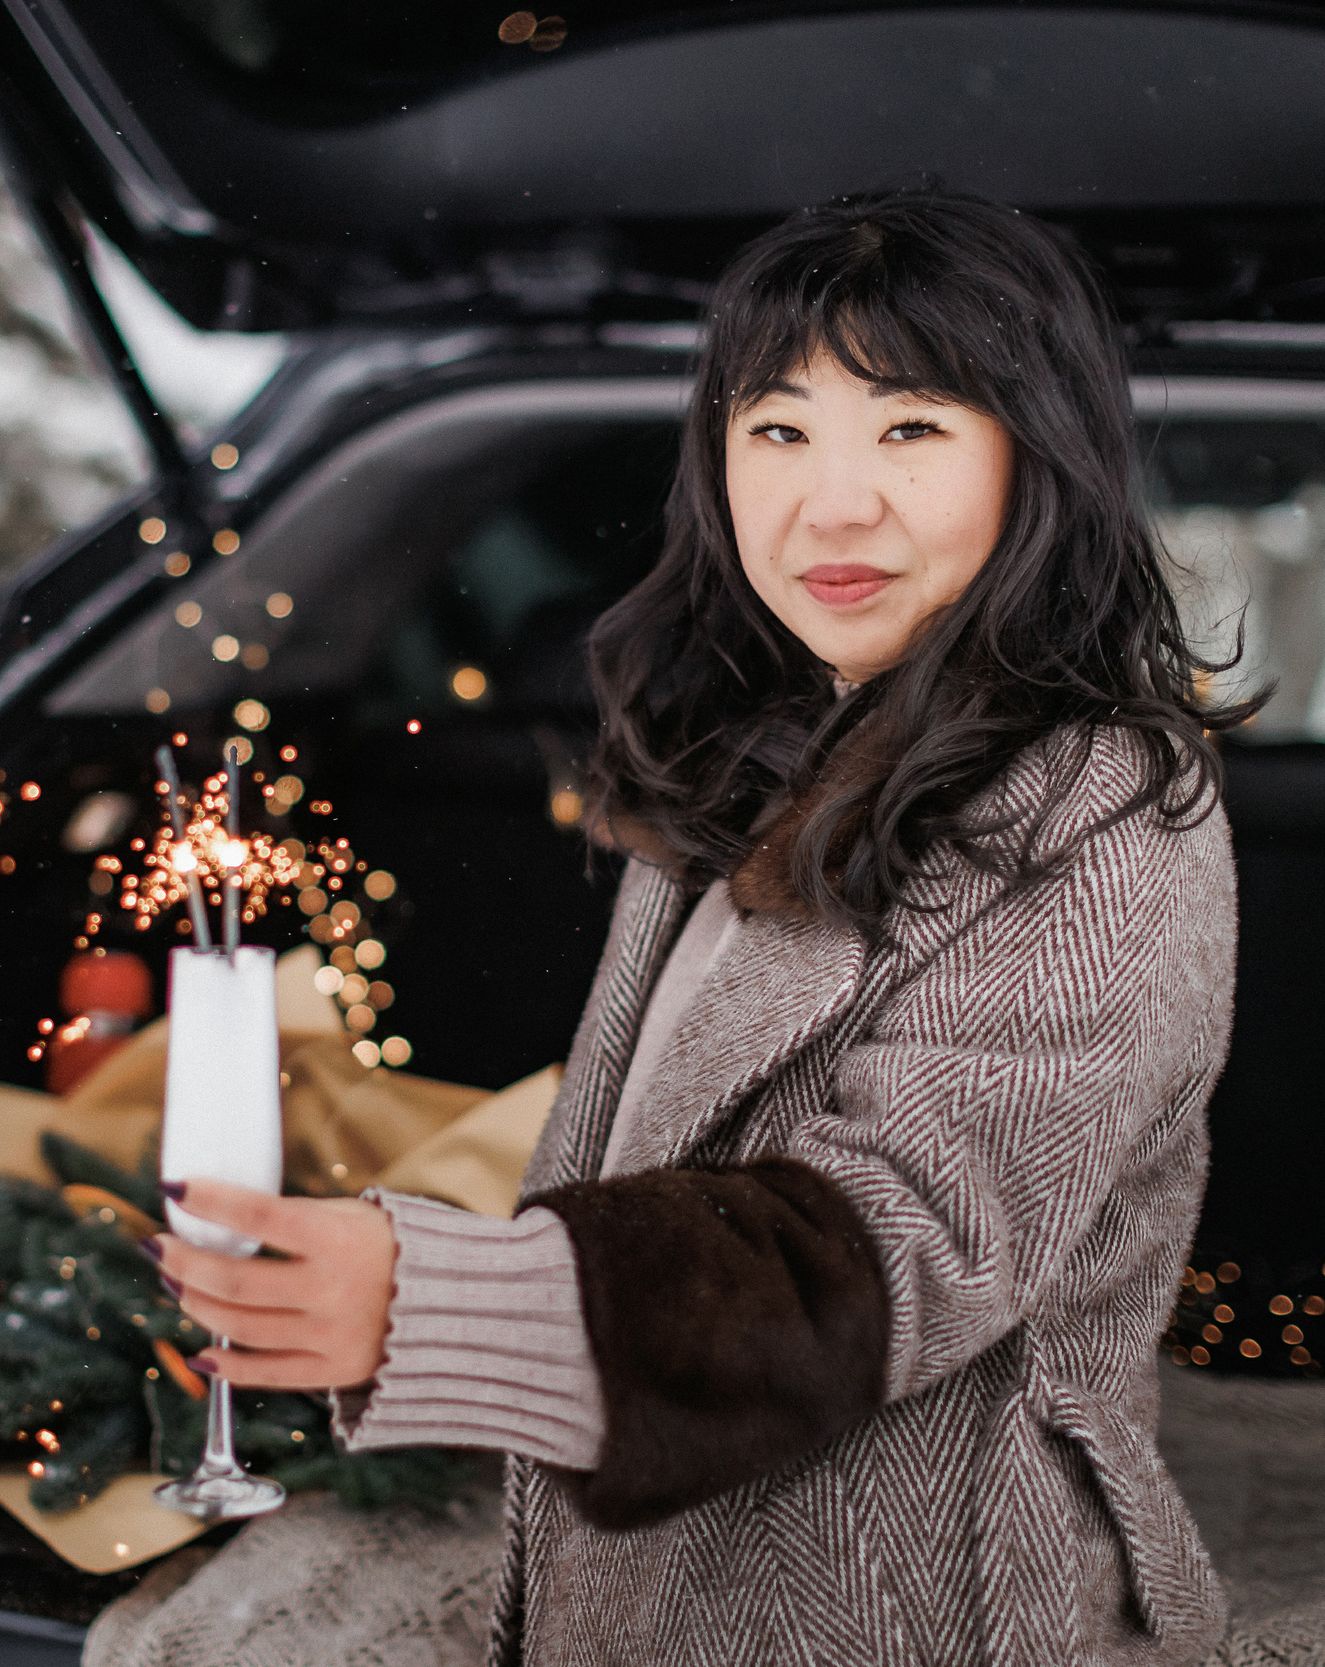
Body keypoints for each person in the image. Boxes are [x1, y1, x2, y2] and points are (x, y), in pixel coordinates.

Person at [146, 189, 1255, 1666]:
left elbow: (912, 1233)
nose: (831, 504)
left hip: (918, 1608)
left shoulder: (1103, 804)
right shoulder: (755, 748)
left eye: (911, 429)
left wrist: (442, 1301)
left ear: (1037, 458)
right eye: (778, 429)